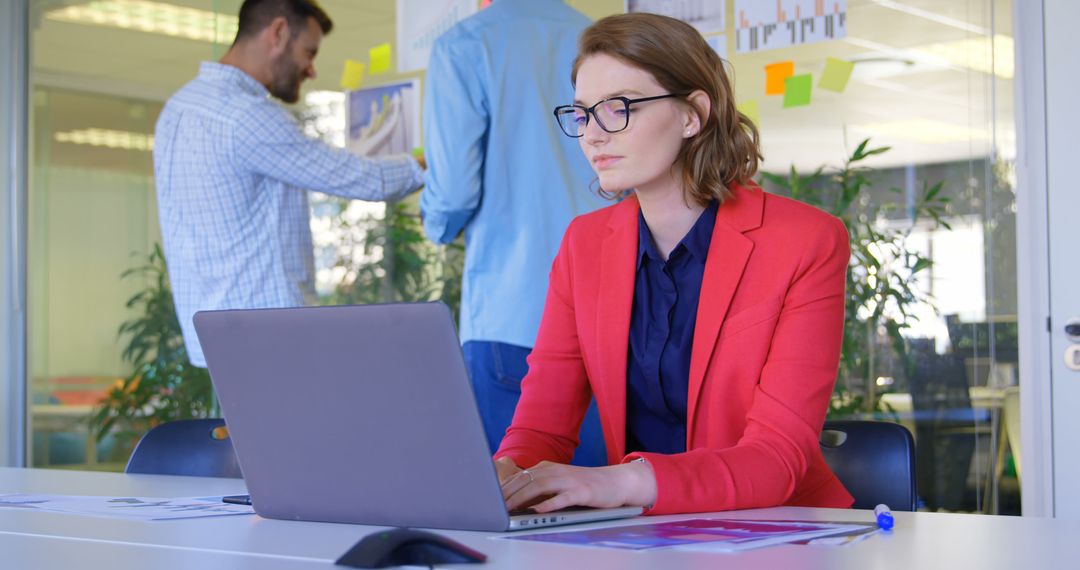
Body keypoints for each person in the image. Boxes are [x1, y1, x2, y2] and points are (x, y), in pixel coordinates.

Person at [494, 13, 856, 515]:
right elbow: (540, 429)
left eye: (617, 108)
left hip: (778, 529)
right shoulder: (584, 245)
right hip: (643, 534)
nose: (593, 136)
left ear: (693, 114)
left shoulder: (806, 241)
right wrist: (504, 475)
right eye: (581, 114)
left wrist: (619, 483)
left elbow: (776, 459)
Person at [153, 0, 425, 367]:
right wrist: (435, 162)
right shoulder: (246, 116)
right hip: (268, 342)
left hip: (216, 343)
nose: (311, 70)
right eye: (308, 52)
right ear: (278, 33)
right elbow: (365, 179)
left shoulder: (177, 109)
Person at [421, 0, 608, 465]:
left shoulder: (464, 45)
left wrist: (437, 226)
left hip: (514, 307)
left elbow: (454, 191)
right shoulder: (601, 40)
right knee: (610, 508)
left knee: (518, 505)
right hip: (609, 305)